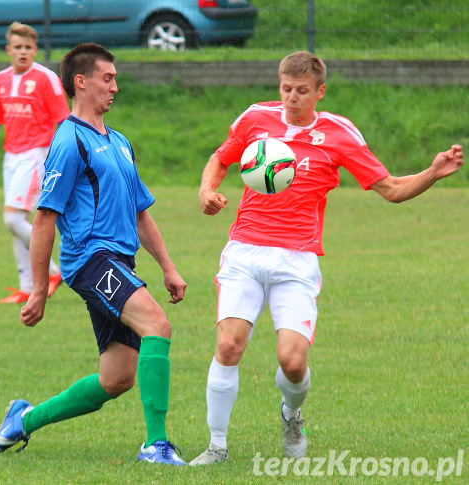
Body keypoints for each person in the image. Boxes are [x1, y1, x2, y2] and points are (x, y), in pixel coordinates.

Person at [190, 51, 463, 465]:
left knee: (292, 362)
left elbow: (389, 187)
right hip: (245, 251)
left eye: (302, 91)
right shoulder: (255, 119)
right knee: (229, 346)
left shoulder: (338, 134)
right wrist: (207, 190)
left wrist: (431, 173)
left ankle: (292, 414)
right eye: (286, 89)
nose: (292, 98)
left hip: (297, 261)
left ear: (320, 92)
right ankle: (216, 446)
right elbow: (220, 158)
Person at [0, 43, 188, 465]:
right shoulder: (69, 140)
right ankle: (156, 445)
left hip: (120, 261)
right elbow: (43, 220)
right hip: (90, 260)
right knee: (157, 324)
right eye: (107, 78)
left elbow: (140, 214)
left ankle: (23, 420)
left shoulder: (119, 141)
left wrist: (167, 267)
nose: (115, 86)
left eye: (115, 78)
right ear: (82, 82)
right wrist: (40, 289)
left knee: (116, 379)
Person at [0, 22, 70, 303]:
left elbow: (64, 120)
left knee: (12, 219)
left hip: (36, 155)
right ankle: (27, 287)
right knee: (18, 220)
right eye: (18, 47)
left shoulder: (46, 78)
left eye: (28, 47)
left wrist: (64, 157)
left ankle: (53, 270)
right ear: (8, 50)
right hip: (11, 156)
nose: (23, 52)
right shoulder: (0, 79)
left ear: (35, 50)